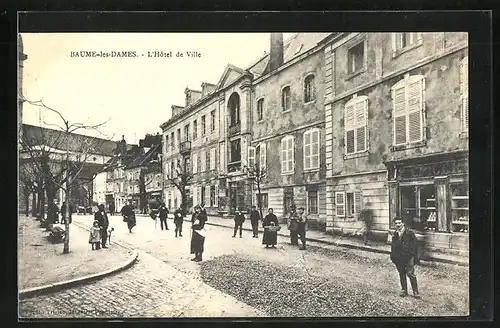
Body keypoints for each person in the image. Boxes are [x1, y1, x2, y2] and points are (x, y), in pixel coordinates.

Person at [390, 217, 420, 298]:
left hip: (408, 257)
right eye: (396, 223)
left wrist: (412, 255)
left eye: (399, 223)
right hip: (399, 258)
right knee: (402, 273)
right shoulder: (395, 234)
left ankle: (415, 291)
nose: (398, 225)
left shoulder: (409, 233)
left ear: (403, 223)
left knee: (410, 274)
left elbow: (415, 245)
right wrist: (393, 256)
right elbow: (393, 246)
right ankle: (404, 290)